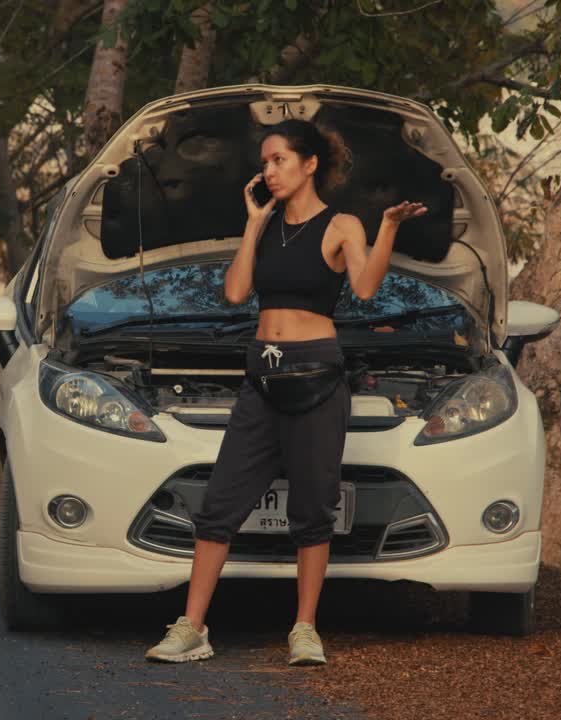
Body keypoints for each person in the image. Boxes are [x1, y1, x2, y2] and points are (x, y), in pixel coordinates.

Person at [145, 118, 427, 666]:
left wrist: (389, 227)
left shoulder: (341, 224)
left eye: (279, 160)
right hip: (262, 378)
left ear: (310, 163)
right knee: (221, 502)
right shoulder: (267, 224)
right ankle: (193, 627)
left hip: (317, 377)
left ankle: (304, 629)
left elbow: (366, 287)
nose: (269, 171)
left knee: (313, 508)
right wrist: (253, 225)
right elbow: (235, 292)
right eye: (265, 163)